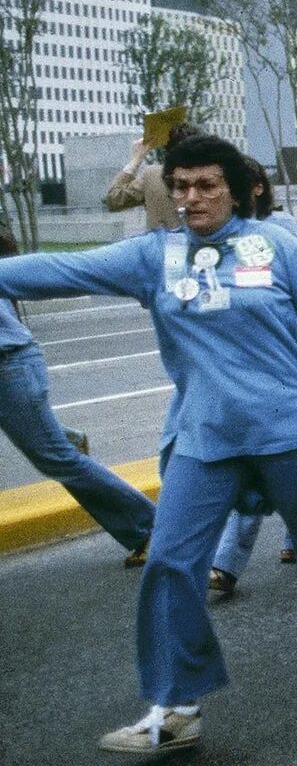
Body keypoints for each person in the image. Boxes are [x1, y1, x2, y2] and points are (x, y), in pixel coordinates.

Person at [0, 134, 297, 752]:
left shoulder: (277, 245)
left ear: (237, 189)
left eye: (207, 185)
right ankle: (175, 706)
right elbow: (52, 270)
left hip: (288, 429)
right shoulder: (154, 256)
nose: (192, 198)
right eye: (181, 187)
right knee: (170, 561)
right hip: (203, 437)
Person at [0, 227, 156, 562]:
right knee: (53, 449)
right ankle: (64, 439)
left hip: (9, 364)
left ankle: (149, 528)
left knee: (55, 458)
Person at [209, 159, 297, 593]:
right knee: (259, 461)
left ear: (257, 189)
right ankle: (229, 563)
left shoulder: (279, 228)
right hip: (233, 366)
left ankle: (234, 560)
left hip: (279, 359)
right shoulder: (213, 237)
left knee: (274, 459)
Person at [104, 125, 198, 231]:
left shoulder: (153, 176)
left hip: (160, 245)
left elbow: (113, 199)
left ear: (167, 151)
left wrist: (136, 159)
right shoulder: (214, 176)